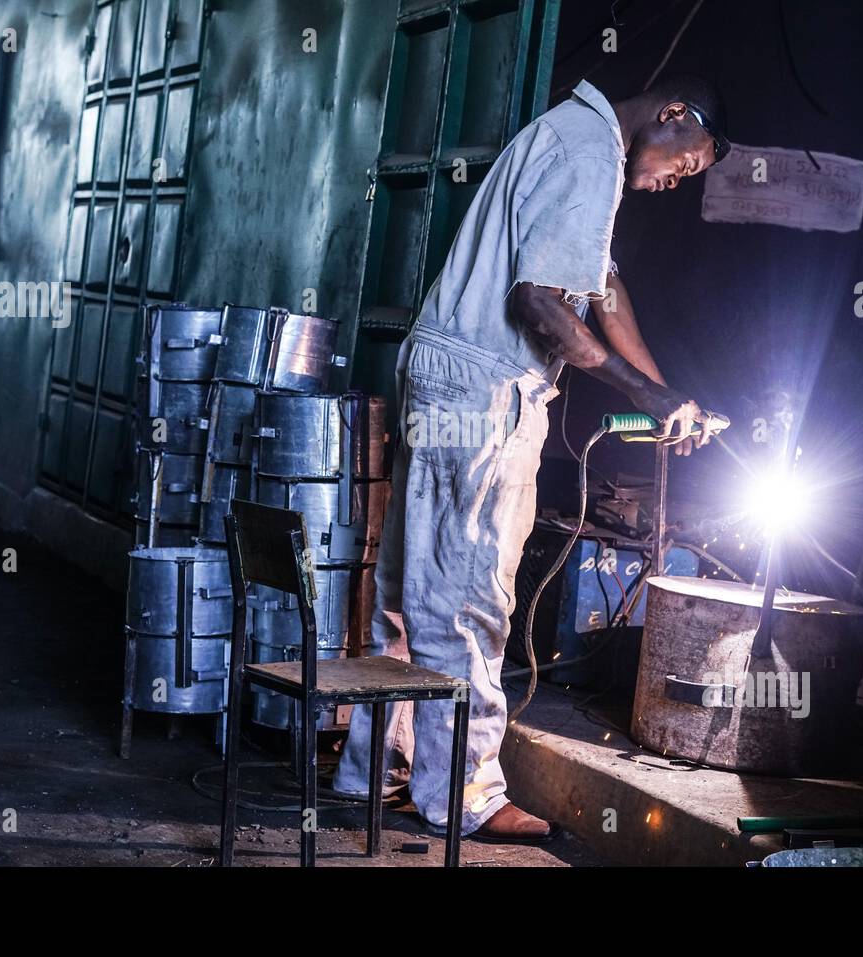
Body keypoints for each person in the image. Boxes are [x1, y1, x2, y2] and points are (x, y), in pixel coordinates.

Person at [334, 76, 731, 841]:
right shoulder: (590, 153)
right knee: (468, 594)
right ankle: (467, 795)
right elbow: (540, 304)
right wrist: (644, 398)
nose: (676, 180)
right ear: (672, 114)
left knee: (410, 587)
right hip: (482, 388)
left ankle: (376, 768)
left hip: (448, 372)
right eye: (685, 165)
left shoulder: (572, 142)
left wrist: (663, 394)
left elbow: (602, 287)